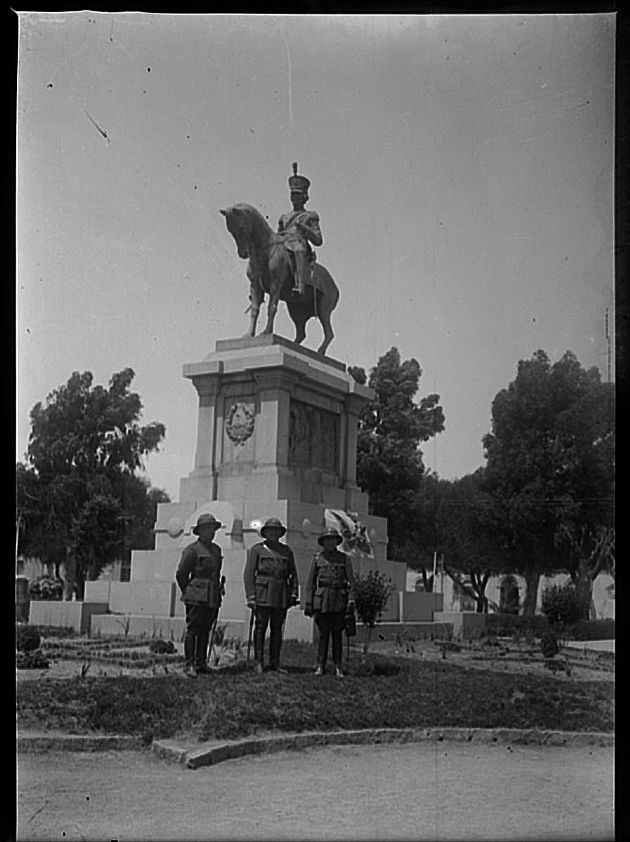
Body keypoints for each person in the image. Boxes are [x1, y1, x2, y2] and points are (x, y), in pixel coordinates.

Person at [243, 517, 299, 673]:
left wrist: (293, 593)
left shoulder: (286, 551)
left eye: (276, 531)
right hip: (262, 593)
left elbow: (293, 574)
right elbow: (249, 574)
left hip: (280, 594)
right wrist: (251, 596)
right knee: (260, 627)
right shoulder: (257, 550)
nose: (273, 533)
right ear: (265, 533)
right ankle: (259, 661)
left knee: (277, 629)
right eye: (270, 531)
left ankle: (274, 662)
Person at [175, 513, 224, 678]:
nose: (211, 532)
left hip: (211, 595)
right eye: (207, 528)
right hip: (196, 594)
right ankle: (189, 664)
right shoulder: (192, 550)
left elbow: (217, 573)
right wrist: (188, 591)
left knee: (205, 629)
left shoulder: (216, 550)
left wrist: (217, 592)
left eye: (213, 528)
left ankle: (201, 663)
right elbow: (181, 574)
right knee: (193, 629)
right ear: (200, 531)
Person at [304, 527, 356, 678]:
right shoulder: (317, 558)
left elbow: (351, 581)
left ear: (336, 542)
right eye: (327, 540)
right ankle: (320, 665)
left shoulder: (344, 559)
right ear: (323, 542)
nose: (330, 543)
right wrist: (309, 602)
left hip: (339, 600)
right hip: (322, 600)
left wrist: (351, 599)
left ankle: (338, 666)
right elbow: (310, 583)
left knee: (337, 635)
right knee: (323, 635)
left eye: (332, 540)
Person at [277, 162, 323, 296]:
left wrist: (304, 228)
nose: (294, 198)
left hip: (300, 245)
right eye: (292, 195)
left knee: (297, 249)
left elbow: (318, 240)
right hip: (284, 244)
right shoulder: (284, 217)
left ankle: (299, 285)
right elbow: (278, 234)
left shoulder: (310, 216)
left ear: (304, 197)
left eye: (297, 195)